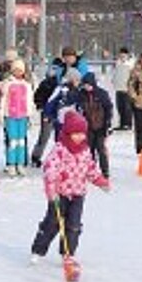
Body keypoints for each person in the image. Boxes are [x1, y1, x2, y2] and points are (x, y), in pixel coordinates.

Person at [30, 111, 110, 264]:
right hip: (59, 194)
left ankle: (68, 254)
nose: (80, 137)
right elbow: (50, 170)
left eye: (82, 133)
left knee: (73, 225)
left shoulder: (85, 150)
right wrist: (51, 191)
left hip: (78, 194)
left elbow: (90, 169)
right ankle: (38, 250)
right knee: (52, 223)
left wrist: (100, 181)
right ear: (68, 133)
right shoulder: (60, 150)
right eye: (76, 133)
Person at [0, 59, 33, 177]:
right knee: (12, 141)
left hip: (23, 116)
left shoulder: (26, 85)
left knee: (21, 141)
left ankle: (20, 164)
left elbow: (29, 101)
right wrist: (1, 114)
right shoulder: (8, 84)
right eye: (16, 70)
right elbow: (3, 100)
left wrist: (30, 116)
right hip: (11, 116)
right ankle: (11, 164)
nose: (18, 72)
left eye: (20, 70)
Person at [79, 72, 113, 178]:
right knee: (89, 150)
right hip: (87, 127)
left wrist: (107, 124)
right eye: (85, 85)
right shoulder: (81, 94)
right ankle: (90, 169)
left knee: (101, 149)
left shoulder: (102, 94)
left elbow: (108, 109)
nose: (86, 87)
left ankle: (105, 171)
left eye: (88, 85)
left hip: (101, 126)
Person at [30, 61, 61, 168]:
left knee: (60, 137)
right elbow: (37, 96)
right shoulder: (45, 83)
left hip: (59, 112)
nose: (53, 72)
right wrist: (41, 106)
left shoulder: (61, 83)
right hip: (47, 113)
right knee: (44, 136)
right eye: (52, 70)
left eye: (56, 70)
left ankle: (60, 157)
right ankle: (36, 156)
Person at [44, 67, 84, 138]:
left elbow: (80, 104)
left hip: (74, 120)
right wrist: (48, 114)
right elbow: (51, 101)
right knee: (60, 138)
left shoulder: (78, 90)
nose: (78, 82)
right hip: (61, 119)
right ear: (71, 80)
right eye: (77, 80)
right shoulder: (61, 89)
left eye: (79, 80)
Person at [112, 47, 135, 131]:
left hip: (127, 89)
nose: (122, 56)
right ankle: (121, 123)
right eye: (120, 54)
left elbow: (133, 77)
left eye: (124, 55)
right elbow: (115, 75)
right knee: (120, 107)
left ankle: (128, 124)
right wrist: (114, 82)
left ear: (127, 55)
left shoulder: (130, 65)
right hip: (118, 89)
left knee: (127, 107)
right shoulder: (117, 64)